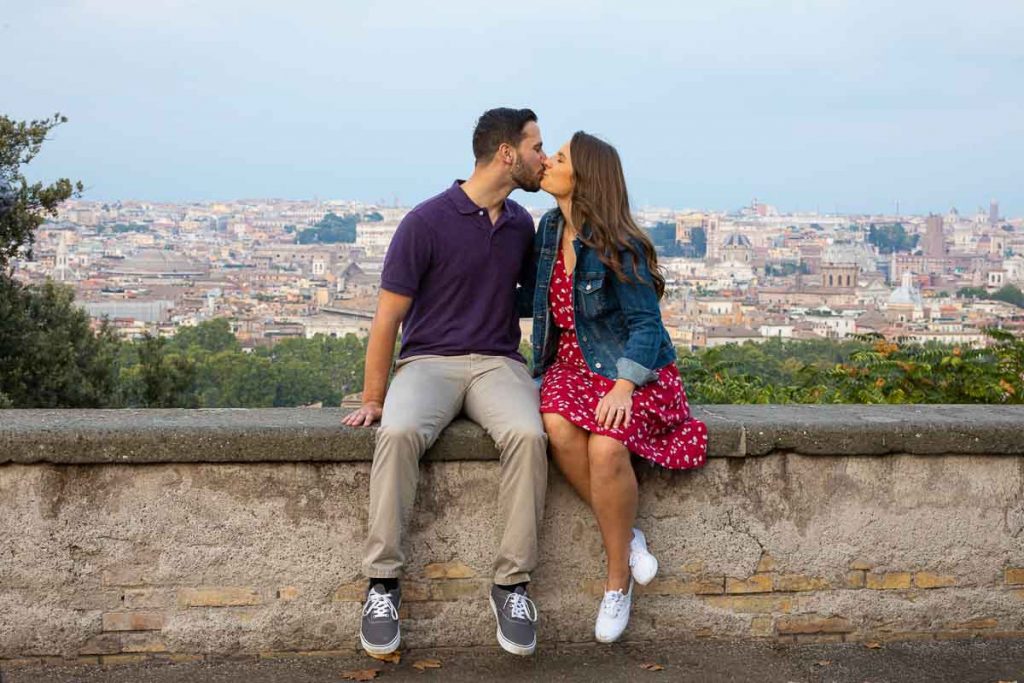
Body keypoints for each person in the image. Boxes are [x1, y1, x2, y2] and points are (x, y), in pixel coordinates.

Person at [342, 108, 548, 657]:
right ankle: (381, 584)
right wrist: (372, 398)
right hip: (428, 362)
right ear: (506, 153)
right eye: (535, 147)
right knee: (399, 432)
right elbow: (387, 319)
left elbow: (541, 294)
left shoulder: (521, 223)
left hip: (497, 362)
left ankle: (511, 584)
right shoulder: (426, 221)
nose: (542, 158)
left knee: (529, 438)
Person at [529, 131, 708, 643]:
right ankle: (628, 535)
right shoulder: (547, 230)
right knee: (557, 428)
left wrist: (625, 386)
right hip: (572, 366)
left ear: (582, 178)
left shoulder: (619, 244)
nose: (547, 161)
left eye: (558, 158)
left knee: (608, 447)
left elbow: (647, 329)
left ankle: (616, 583)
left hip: (631, 370)